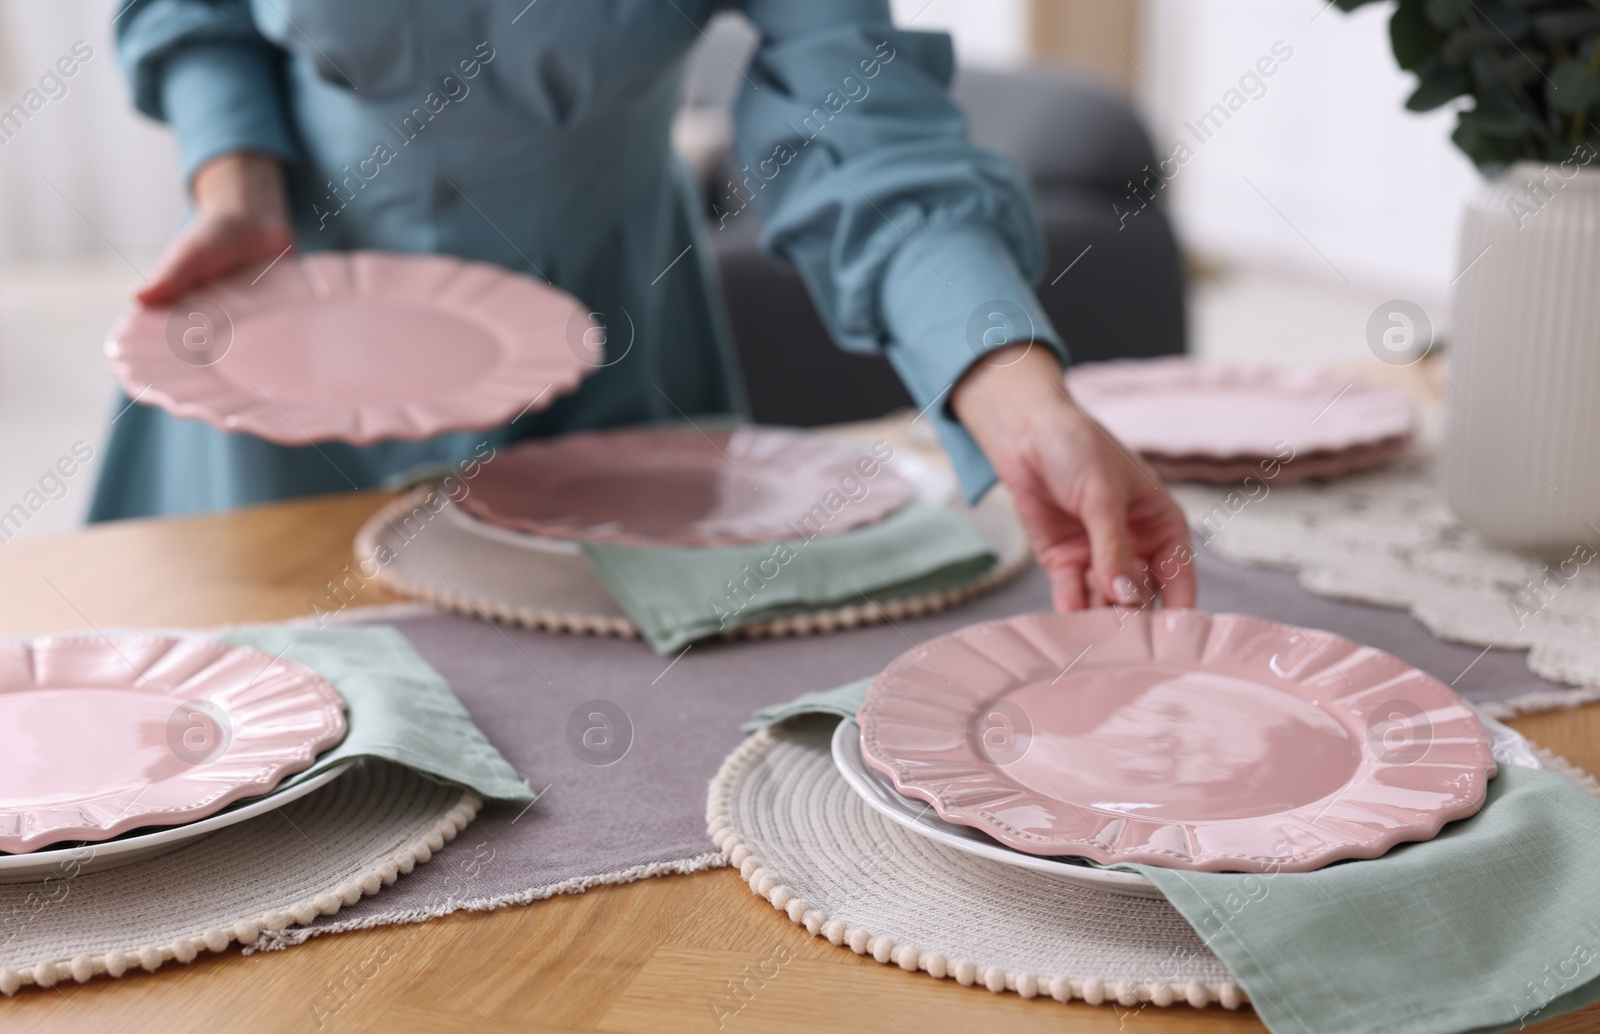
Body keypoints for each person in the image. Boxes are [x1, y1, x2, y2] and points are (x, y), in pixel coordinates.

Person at [98, 0, 1194, 613]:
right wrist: (234, 180)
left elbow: (855, 117)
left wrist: (1012, 391)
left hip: (614, 339)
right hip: (282, 328)